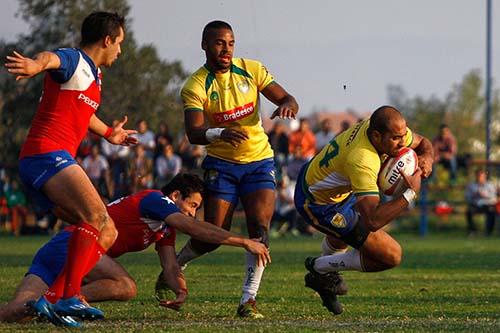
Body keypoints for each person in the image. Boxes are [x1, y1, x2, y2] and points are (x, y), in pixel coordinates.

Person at [4, 11, 137, 326]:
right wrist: (36, 65)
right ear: (107, 40)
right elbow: (53, 58)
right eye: (120, 43)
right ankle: (69, 296)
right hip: (46, 155)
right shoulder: (75, 60)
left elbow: (83, 114)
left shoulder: (93, 76)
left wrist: (109, 133)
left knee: (105, 231)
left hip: (48, 159)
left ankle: (48, 299)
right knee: (97, 218)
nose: (120, 51)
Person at [0, 174, 270, 325]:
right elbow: (197, 230)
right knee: (125, 286)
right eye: (193, 205)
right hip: (72, 247)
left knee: (18, 313)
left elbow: (170, 264)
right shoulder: (156, 200)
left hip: (68, 251)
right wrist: (244, 241)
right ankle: (62, 304)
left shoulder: (164, 226)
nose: (192, 213)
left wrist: (181, 290)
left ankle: (54, 304)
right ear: (175, 196)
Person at [177, 20, 298, 318]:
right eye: (219, 43)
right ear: (205, 45)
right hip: (222, 164)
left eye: (230, 43)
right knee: (212, 236)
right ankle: (176, 264)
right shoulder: (196, 84)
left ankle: (248, 300)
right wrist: (220, 133)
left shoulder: (252, 69)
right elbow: (193, 133)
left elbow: (286, 96)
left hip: (259, 161)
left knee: (260, 232)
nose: (226, 49)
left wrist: (287, 105)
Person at [294, 106, 433, 314]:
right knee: (391, 255)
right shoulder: (362, 159)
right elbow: (373, 221)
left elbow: (423, 143)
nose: (403, 142)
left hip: (338, 187)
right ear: (377, 136)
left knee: (342, 236)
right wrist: (410, 193)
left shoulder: (380, 127)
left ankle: (324, 277)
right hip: (317, 202)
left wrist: (428, 158)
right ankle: (319, 268)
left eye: (404, 135)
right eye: (396, 138)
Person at [464, 169, 497, 236]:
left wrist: (485, 195)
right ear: (476, 176)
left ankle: (488, 232)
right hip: (475, 205)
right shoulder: (471, 186)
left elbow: (494, 198)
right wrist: (474, 195)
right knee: (469, 211)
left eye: (481, 176)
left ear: (485, 176)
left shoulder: (490, 185)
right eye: (478, 176)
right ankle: (472, 231)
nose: (480, 178)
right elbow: (467, 197)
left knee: (492, 211)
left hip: (487, 205)